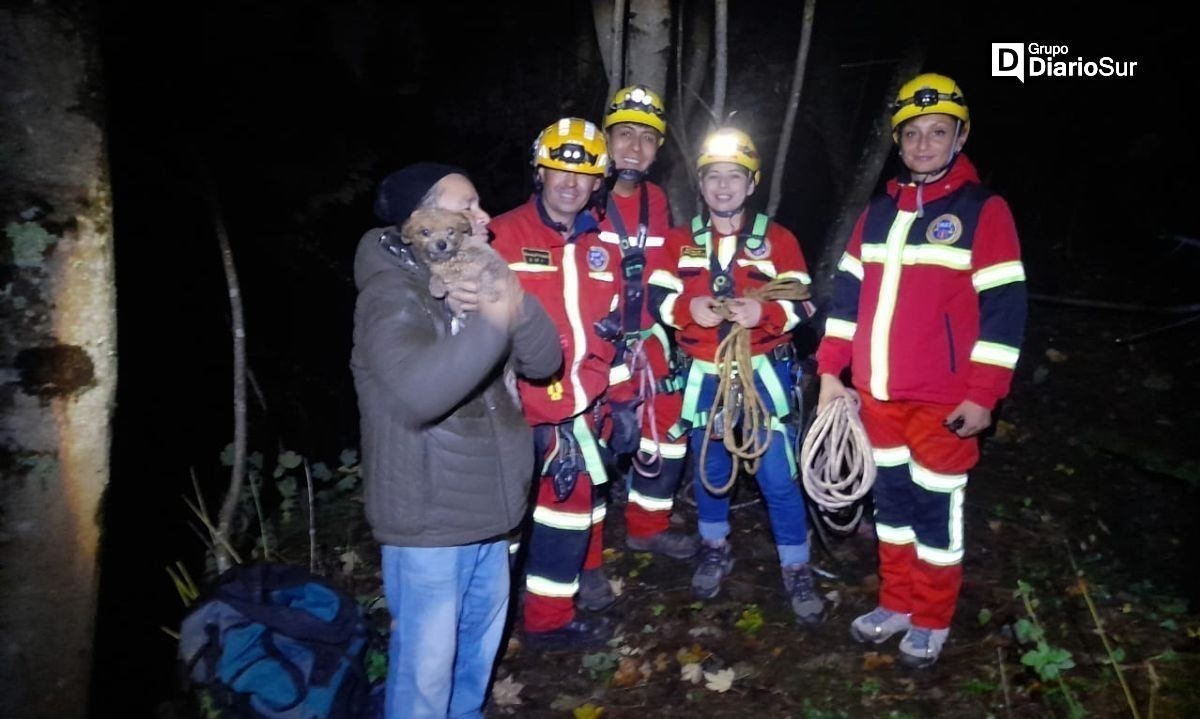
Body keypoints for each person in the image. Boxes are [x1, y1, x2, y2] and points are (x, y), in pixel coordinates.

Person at [815, 73, 1027, 668]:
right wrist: (832, 373)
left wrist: (986, 394)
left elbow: (1004, 310)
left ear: (960, 136)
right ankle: (897, 604)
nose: (925, 143)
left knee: (936, 513)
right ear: (899, 140)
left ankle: (932, 619)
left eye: (938, 132)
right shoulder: (877, 214)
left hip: (944, 406)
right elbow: (847, 300)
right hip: (876, 399)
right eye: (913, 133)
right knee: (893, 509)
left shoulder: (984, 210)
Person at [351, 163, 562, 718]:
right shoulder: (391, 294)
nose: (483, 217)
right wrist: (492, 323)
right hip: (429, 522)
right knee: (425, 680)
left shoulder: (478, 273)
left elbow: (543, 361)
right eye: (467, 206)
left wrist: (509, 291)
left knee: (474, 665)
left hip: (491, 515)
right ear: (419, 222)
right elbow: (422, 392)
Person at [647, 127, 825, 624]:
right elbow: (658, 297)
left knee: (777, 476)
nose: (723, 187)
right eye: (713, 178)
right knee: (713, 470)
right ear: (701, 185)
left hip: (762, 376)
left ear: (752, 184)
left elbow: (803, 300)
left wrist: (762, 314)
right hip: (704, 376)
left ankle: (795, 566)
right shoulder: (680, 241)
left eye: (734, 177)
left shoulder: (780, 239)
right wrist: (688, 307)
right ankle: (713, 545)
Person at [489, 118, 621, 648]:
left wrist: (602, 397)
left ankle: (549, 622)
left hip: (577, 418)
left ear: (597, 183)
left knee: (568, 521)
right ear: (540, 172)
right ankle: (490, 631)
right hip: (510, 418)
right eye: (559, 169)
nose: (570, 182)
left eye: (583, 173)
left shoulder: (604, 249)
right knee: (501, 533)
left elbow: (609, 328)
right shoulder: (499, 236)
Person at [598, 84, 699, 560]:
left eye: (646, 137)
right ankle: (586, 555)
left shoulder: (656, 201)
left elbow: (670, 269)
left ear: (658, 150)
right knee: (592, 448)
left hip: (648, 340)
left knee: (672, 428)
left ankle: (647, 525)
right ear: (606, 138)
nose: (633, 147)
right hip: (595, 343)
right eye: (624, 135)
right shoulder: (583, 194)